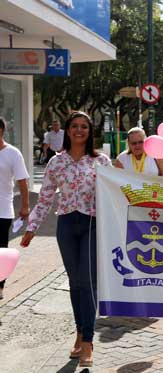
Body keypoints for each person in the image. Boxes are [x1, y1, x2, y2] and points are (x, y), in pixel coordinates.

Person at [21, 111, 113, 367]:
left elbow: (116, 193)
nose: (79, 130)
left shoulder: (101, 161)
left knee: (88, 281)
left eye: (84, 126)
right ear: (67, 130)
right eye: (75, 126)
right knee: (75, 283)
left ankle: (88, 344)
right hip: (66, 226)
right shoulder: (56, 162)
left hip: (92, 224)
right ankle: (80, 331)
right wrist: (32, 227)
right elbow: (46, 199)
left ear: (90, 130)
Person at [0, 117, 30, 300]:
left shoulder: (13, 153)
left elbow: (22, 182)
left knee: (1, 250)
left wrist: (25, 206)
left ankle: (0, 286)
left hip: (3, 211)